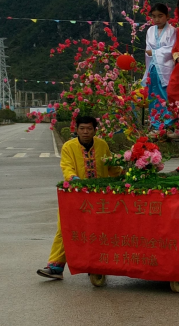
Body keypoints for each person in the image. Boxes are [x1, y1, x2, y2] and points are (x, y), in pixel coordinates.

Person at [37, 116, 122, 280]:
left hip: (99, 197)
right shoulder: (69, 147)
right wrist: (73, 179)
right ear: (76, 129)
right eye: (82, 128)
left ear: (95, 130)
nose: (85, 132)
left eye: (89, 128)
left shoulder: (102, 145)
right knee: (65, 227)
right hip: (76, 195)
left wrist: (126, 175)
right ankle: (55, 266)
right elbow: (67, 166)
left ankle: (98, 263)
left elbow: (111, 167)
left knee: (99, 230)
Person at [141, 3, 176, 131]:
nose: (157, 19)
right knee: (153, 94)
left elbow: (172, 48)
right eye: (154, 16)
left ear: (167, 16)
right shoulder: (150, 30)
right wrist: (151, 53)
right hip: (152, 66)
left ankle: (168, 122)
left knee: (165, 94)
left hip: (166, 67)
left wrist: (155, 52)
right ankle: (155, 122)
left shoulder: (172, 31)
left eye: (160, 16)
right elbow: (148, 48)